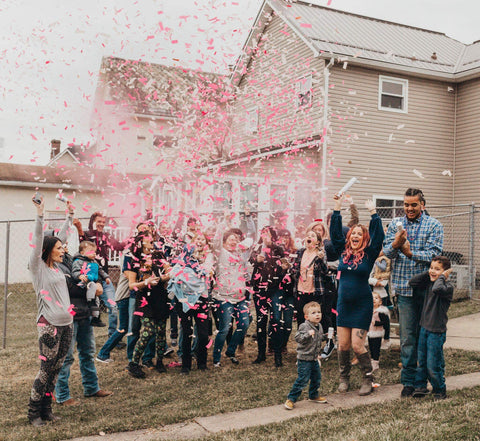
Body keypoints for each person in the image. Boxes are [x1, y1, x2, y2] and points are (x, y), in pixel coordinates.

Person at [383, 188, 444, 398]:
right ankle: (408, 382)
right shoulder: (395, 225)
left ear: (422, 205)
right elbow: (387, 252)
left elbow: (435, 254)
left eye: (414, 205)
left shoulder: (434, 225)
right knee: (408, 339)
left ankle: (422, 382)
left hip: (428, 292)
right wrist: (396, 243)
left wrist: (410, 253)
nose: (409, 208)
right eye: (406, 205)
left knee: (425, 338)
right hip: (403, 289)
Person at [54, 206, 113, 406]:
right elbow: (70, 288)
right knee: (67, 357)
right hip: (69, 315)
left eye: (63, 246)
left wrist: (95, 283)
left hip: (85, 312)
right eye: (59, 247)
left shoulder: (72, 259)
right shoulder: (55, 267)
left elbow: (89, 272)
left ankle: (92, 388)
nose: (63, 249)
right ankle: (62, 396)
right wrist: (93, 287)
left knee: (88, 353)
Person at [330, 195, 384, 396]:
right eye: (353, 233)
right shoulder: (342, 252)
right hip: (343, 303)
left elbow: (378, 237)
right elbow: (334, 233)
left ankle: (367, 379)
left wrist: (373, 214)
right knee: (343, 344)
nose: (356, 235)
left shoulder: (369, 255)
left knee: (357, 345)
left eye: (360, 234)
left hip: (362, 304)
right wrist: (337, 207)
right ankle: (344, 378)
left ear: (363, 238)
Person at [27, 195, 74, 426]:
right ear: (48, 250)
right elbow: (39, 242)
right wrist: (39, 215)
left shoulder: (57, 268)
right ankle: (33, 413)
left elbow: (61, 238)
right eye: (58, 248)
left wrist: (70, 216)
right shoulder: (39, 269)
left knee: (56, 369)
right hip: (49, 325)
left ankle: (46, 410)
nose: (62, 250)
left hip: (67, 325)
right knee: (46, 369)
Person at [211, 210, 255, 367]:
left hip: (240, 297)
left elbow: (251, 238)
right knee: (224, 328)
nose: (233, 241)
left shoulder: (240, 254)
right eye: (230, 239)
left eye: (235, 239)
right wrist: (224, 219)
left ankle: (231, 350)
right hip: (223, 298)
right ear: (224, 241)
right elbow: (216, 239)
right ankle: (216, 359)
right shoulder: (220, 253)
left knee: (245, 323)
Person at [126, 233, 171, 378]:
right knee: (148, 331)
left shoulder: (159, 256)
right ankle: (134, 364)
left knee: (161, 332)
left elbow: (170, 272)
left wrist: (165, 277)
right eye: (149, 241)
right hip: (144, 301)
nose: (153, 243)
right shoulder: (134, 261)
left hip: (160, 298)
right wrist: (146, 282)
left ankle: (159, 362)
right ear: (140, 243)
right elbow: (131, 285)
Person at [168, 232, 214, 374]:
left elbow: (207, 271)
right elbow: (173, 272)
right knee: (187, 331)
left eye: (203, 239)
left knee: (203, 332)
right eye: (197, 239)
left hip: (202, 297)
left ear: (206, 244)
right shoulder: (184, 255)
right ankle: (185, 365)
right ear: (192, 241)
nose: (200, 241)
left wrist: (192, 268)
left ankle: (202, 363)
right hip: (184, 299)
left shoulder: (209, 256)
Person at [410, 256, 453, 400]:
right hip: (424, 328)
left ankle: (439, 389)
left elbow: (438, 288)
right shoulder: (429, 282)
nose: (433, 271)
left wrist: (441, 277)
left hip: (436, 332)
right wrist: (429, 273)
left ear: (446, 272)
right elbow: (412, 282)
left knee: (433, 364)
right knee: (421, 361)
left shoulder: (447, 287)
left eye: (437, 269)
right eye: (431, 267)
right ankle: (420, 386)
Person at [79, 212, 126, 334]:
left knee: (113, 307)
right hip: (89, 280)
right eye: (99, 221)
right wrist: (78, 228)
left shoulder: (106, 236)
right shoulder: (87, 235)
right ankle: (85, 336)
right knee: (88, 310)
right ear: (92, 222)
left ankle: (112, 336)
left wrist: (130, 240)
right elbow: (83, 245)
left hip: (105, 279)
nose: (101, 224)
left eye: (103, 222)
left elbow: (119, 246)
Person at [249, 226, 284, 365]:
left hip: (275, 289)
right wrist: (256, 259)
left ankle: (277, 356)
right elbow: (251, 261)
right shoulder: (257, 247)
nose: (265, 236)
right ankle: (261, 354)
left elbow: (285, 265)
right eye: (263, 233)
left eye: (267, 234)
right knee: (261, 321)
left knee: (276, 320)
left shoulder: (278, 248)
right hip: (259, 289)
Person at [284, 301, 327, 410]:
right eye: (313, 313)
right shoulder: (304, 326)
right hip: (304, 359)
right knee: (303, 379)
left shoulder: (319, 326)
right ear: (306, 317)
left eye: (319, 312)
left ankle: (313, 395)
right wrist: (308, 334)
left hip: (314, 358)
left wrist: (326, 337)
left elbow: (319, 338)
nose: (317, 315)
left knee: (316, 377)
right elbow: (298, 338)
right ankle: (291, 399)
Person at [292, 230, 328, 326]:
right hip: (300, 290)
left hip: (315, 292)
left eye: (312, 236)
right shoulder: (300, 252)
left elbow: (325, 272)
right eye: (307, 235)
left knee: (314, 320)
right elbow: (294, 269)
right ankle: (303, 339)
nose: (309, 237)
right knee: (301, 318)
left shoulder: (321, 253)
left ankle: (315, 339)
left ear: (317, 242)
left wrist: (320, 260)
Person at [368, 252, 392, 349]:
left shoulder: (385, 261)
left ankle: (386, 338)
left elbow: (384, 282)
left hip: (381, 295)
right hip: (371, 294)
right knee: (372, 318)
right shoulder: (370, 261)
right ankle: (372, 336)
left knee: (383, 319)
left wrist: (375, 281)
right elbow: (367, 278)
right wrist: (375, 281)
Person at [367, 292, 390, 373]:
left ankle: (375, 363)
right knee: (371, 348)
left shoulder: (381, 311)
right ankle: (372, 360)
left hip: (377, 333)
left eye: (376, 298)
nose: (373, 299)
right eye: (372, 298)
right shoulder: (369, 310)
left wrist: (376, 323)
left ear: (380, 302)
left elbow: (385, 323)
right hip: (370, 332)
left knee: (376, 348)